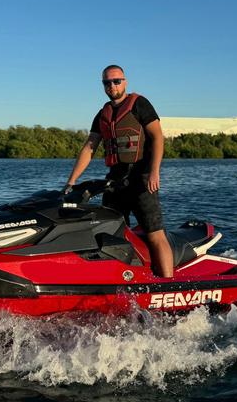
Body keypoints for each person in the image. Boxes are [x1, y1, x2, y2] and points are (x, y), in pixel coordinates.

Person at [64, 64, 174, 278]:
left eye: (116, 81)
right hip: (115, 181)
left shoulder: (140, 104)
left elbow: (158, 137)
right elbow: (90, 147)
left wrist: (154, 172)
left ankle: (167, 284)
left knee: (154, 234)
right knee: (109, 231)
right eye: (107, 82)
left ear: (125, 82)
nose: (112, 85)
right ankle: (123, 279)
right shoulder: (102, 114)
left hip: (141, 178)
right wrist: (71, 181)